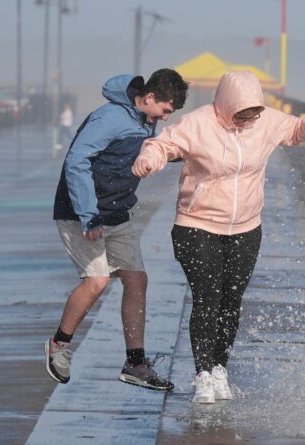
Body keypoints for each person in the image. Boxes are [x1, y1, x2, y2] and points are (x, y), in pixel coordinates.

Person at [132, 71, 305, 404]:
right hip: (197, 226)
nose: (249, 119)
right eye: (242, 112)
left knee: (230, 302)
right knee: (207, 298)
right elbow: (162, 144)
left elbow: (294, 131)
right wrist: (148, 159)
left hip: (246, 228)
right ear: (226, 105)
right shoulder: (199, 123)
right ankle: (203, 374)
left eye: (254, 112)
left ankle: (220, 368)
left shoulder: (264, 121)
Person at [46, 68, 189, 391]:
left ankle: (135, 364)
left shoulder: (145, 119)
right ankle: (59, 345)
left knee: (136, 279)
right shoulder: (109, 118)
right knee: (96, 282)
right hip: (82, 213)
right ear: (149, 98)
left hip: (117, 212)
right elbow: (76, 161)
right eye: (165, 110)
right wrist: (88, 214)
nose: (165, 118)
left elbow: (149, 148)